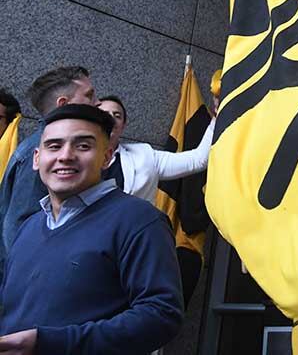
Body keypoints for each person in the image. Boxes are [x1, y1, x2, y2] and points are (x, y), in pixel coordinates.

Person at [0, 103, 183, 354]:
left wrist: (51, 344)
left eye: (83, 146)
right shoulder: (29, 226)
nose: (65, 155)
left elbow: (161, 315)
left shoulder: (139, 220)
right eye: (54, 146)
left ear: (107, 156)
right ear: (37, 158)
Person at [0, 66, 97, 273]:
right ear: (63, 103)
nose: (97, 103)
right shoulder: (35, 153)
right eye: (89, 95)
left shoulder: (42, 148)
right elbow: (18, 228)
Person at [96, 95, 214, 204]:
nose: (111, 118)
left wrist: (218, 115)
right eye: (104, 114)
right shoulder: (79, 157)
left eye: (117, 115)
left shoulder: (144, 155)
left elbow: (197, 160)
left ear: (123, 125)